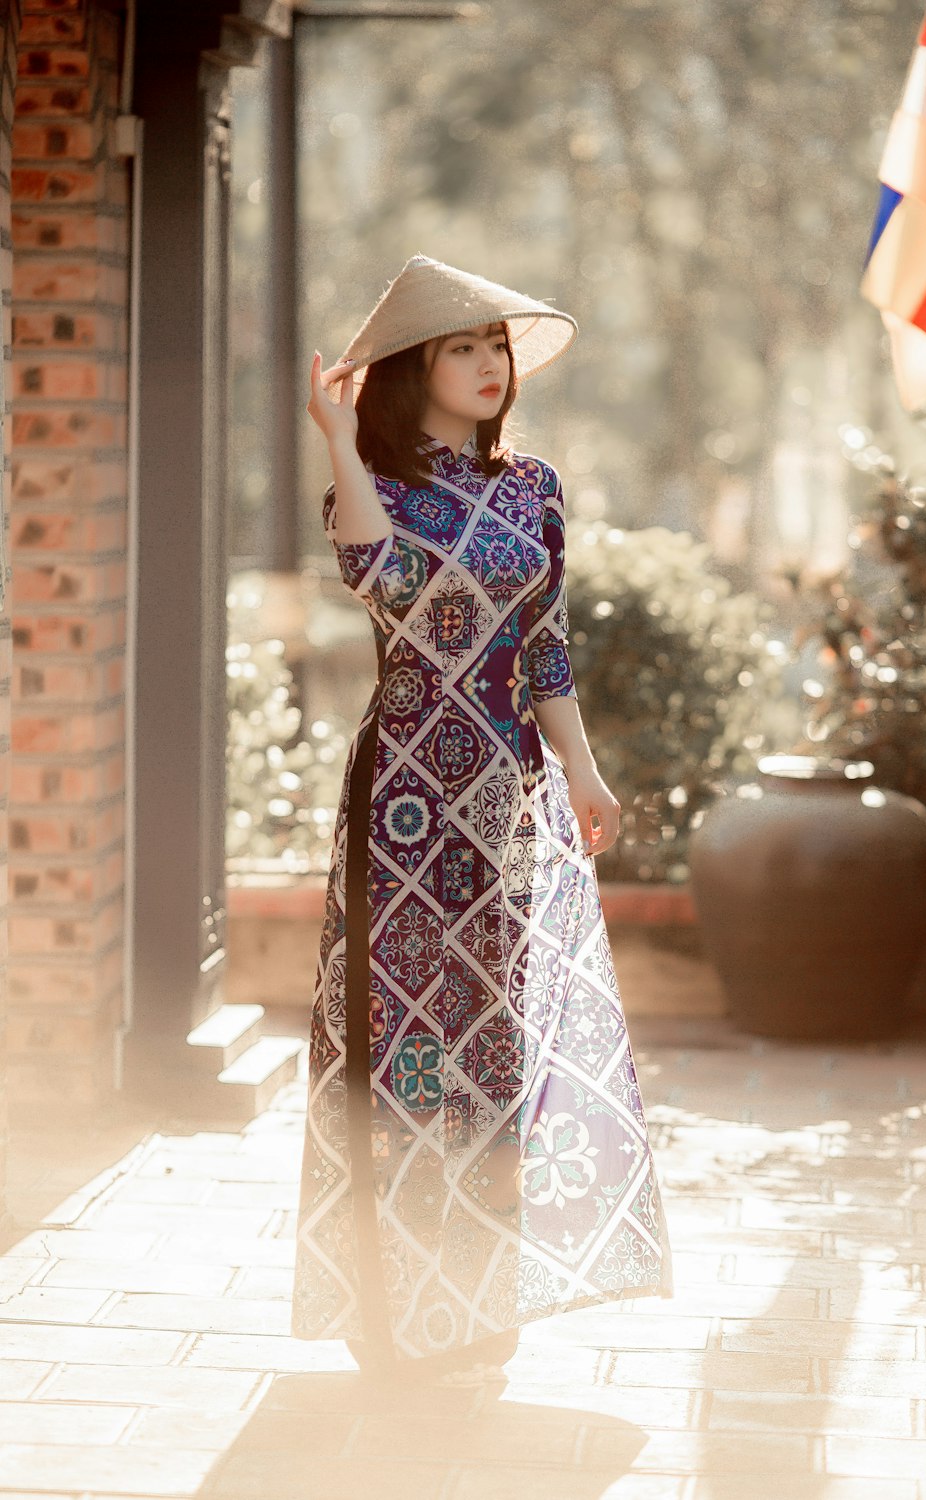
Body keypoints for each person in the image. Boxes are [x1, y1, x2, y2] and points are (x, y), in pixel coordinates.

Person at [290, 254, 672, 1386]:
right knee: (400, 1054)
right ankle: (392, 1307)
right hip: (402, 801)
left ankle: (481, 1299)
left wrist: (586, 775)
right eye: (463, 348)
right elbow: (374, 575)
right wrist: (337, 437)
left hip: (506, 797)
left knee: (495, 1052)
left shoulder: (535, 488)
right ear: (417, 370)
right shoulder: (374, 487)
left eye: (496, 347)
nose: (488, 365)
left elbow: (545, 644)